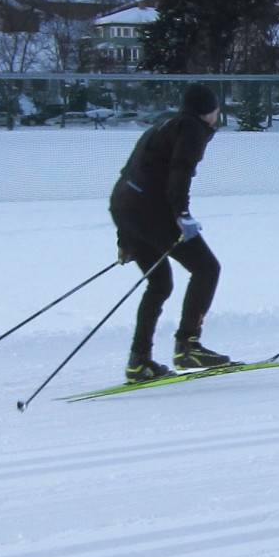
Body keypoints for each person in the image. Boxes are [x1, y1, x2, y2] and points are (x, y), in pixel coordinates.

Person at [109, 83, 233, 382]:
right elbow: (180, 171)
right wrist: (182, 215)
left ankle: (139, 362)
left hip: (125, 207)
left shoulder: (163, 125)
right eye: (217, 109)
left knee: (159, 284)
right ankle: (188, 345)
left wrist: (126, 237)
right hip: (152, 210)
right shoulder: (191, 129)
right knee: (206, 268)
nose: (217, 114)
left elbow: (132, 171)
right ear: (208, 111)